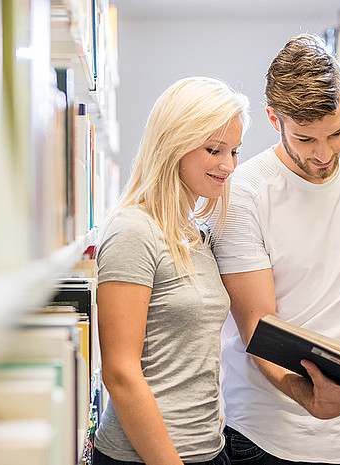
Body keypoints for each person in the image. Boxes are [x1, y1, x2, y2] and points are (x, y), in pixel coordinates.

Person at [210, 33, 340, 465]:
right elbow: (257, 325)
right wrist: (311, 399)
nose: (325, 154)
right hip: (267, 435)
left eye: (337, 133)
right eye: (305, 140)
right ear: (273, 118)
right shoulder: (242, 193)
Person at [93, 76, 249, 465]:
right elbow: (120, 372)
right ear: (174, 143)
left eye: (234, 151)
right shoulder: (134, 230)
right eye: (215, 149)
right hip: (146, 457)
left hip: (208, 449)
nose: (228, 165)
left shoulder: (197, 233)